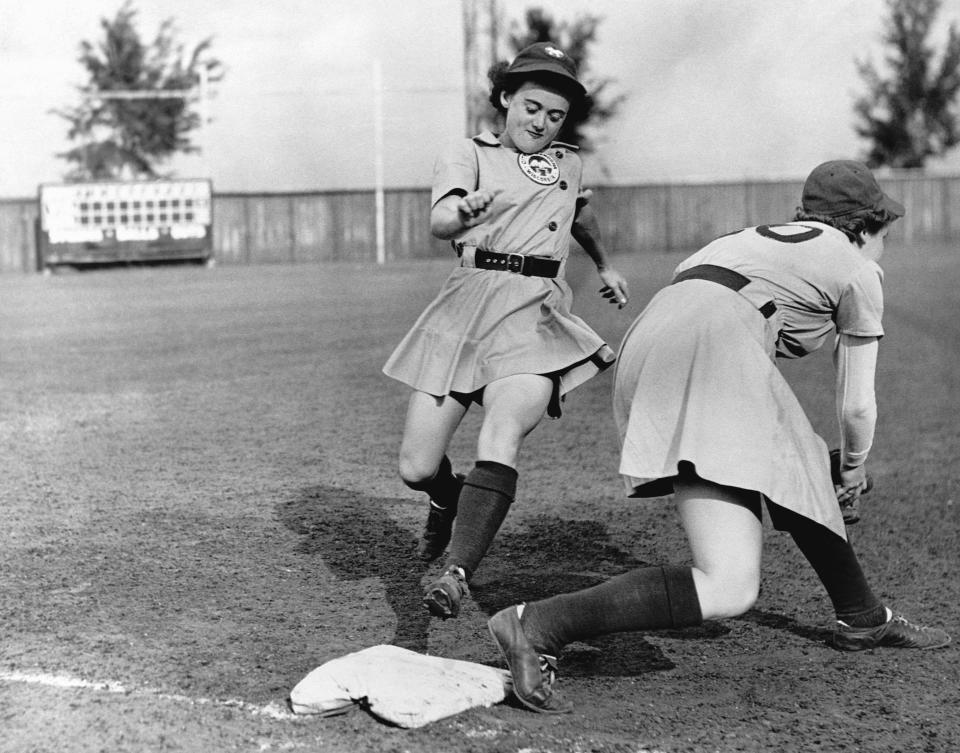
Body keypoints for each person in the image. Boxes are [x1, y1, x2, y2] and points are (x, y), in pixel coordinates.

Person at [486, 160, 951, 714]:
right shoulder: (856, 267)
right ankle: (536, 624)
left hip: (650, 341)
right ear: (863, 226)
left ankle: (862, 616)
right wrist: (852, 470)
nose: (884, 244)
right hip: (713, 346)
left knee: (793, 456)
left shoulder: (739, 239)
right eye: (885, 231)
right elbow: (856, 405)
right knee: (730, 586)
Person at [382, 42, 630, 620]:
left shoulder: (568, 162)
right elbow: (440, 218)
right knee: (416, 467)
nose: (541, 123)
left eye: (555, 115)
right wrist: (465, 214)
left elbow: (579, 210)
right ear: (504, 98)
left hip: (535, 314)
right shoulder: (467, 154)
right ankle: (449, 498)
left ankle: (456, 571)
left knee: (503, 430)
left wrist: (603, 263)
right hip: (465, 308)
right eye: (532, 107)